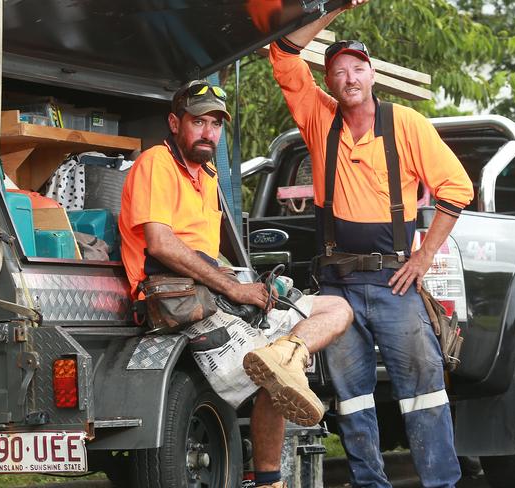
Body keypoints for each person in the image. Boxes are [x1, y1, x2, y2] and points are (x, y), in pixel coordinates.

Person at [269, 2, 474, 487]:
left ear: (373, 74)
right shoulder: (320, 120)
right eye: (338, 72)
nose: (348, 78)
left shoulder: (407, 125)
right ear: (330, 82)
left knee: (424, 392)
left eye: (357, 68)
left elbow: (456, 188)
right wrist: (334, 7)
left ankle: (442, 484)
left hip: (395, 283)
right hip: (337, 286)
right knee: (353, 399)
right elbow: (281, 51)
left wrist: (423, 258)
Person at [118, 79, 352, 488]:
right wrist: (234, 289)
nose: (209, 132)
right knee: (273, 381)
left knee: (336, 308)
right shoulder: (156, 162)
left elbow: (205, 252)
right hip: (174, 301)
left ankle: (287, 356)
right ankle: (270, 476)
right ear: (175, 123)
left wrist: (247, 281)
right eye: (198, 122)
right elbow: (162, 244)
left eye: (215, 124)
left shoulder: (206, 174)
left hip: (215, 294)